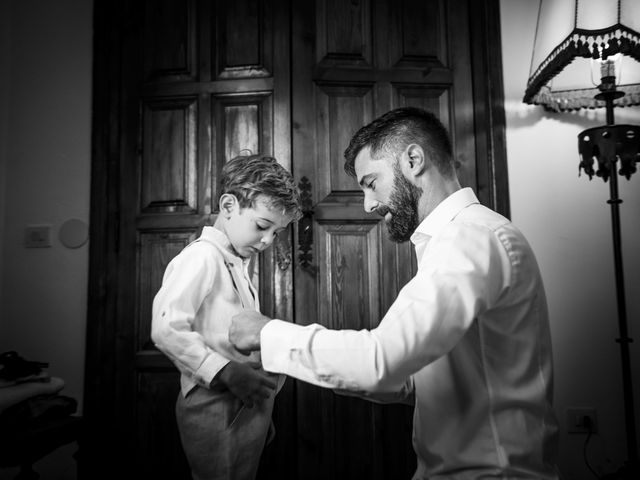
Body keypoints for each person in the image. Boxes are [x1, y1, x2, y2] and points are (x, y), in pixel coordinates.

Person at [229, 107, 560, 479]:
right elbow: (410, 379)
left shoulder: (470, 237)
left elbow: (382, 361)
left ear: (413, 160)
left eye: (371, 183)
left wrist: (264, 332)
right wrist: (314, 367)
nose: (368, 204)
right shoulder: (458, 239)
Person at [151, 153, 301, 480]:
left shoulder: (237, 264)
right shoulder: (201, 257)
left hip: (243, 404)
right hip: (215, 403)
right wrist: (227, 371)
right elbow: (166, 329)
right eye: (262, 226)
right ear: (229, 206)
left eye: (276, 233)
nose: (267, 241)